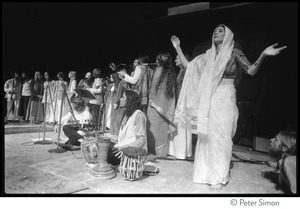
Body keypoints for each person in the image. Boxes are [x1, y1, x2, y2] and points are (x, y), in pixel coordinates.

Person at [171, 24, 287, 190]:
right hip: (210, 99)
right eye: (215, 31)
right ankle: (205, 173)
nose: (216, 33)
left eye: (221, 31)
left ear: (228, 36)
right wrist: (178, 48)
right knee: (209, 137)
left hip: (225, 98)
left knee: (222, 137)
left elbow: (251, 70)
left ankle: (219, 176)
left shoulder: (234, 52)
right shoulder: (208, 56)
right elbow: (189, 67)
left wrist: (263, 54)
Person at [146, 52, 177, 160]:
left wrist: (153, 100)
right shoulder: (171, 72)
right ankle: (161, 153)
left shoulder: (159, 71)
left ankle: (153, 152)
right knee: (160, 128)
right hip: (163, 106)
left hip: (154, 105)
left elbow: (154, 89)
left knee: (153, 128)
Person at [107, 89, 147, 166]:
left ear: (129, 100)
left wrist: (126, 148)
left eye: (123, 97)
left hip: (132, 152)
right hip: (122, 147)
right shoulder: (126, 114)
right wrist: (111, 137)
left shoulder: (138, 115)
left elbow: (142, 139)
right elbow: (125, 136)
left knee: (106, 152)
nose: (120, 99)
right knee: (102, 144)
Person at [168, 53, 193, 160]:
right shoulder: (182, 71)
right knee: (180, 126)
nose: (175, 60)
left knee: (182, 126)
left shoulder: (186, 71)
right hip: (179, 100)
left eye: (177, 58)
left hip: (183, 102)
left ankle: (181, 152)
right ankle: (179, 151)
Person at [110, 64, 130, 136]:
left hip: (121, 104)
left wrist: (116, 103)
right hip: (128, 103)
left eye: (118, 74)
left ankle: (116, 135)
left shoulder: (122, 82)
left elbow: (119, 94)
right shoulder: (128, 82)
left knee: (118, 120)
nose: (118, 75)